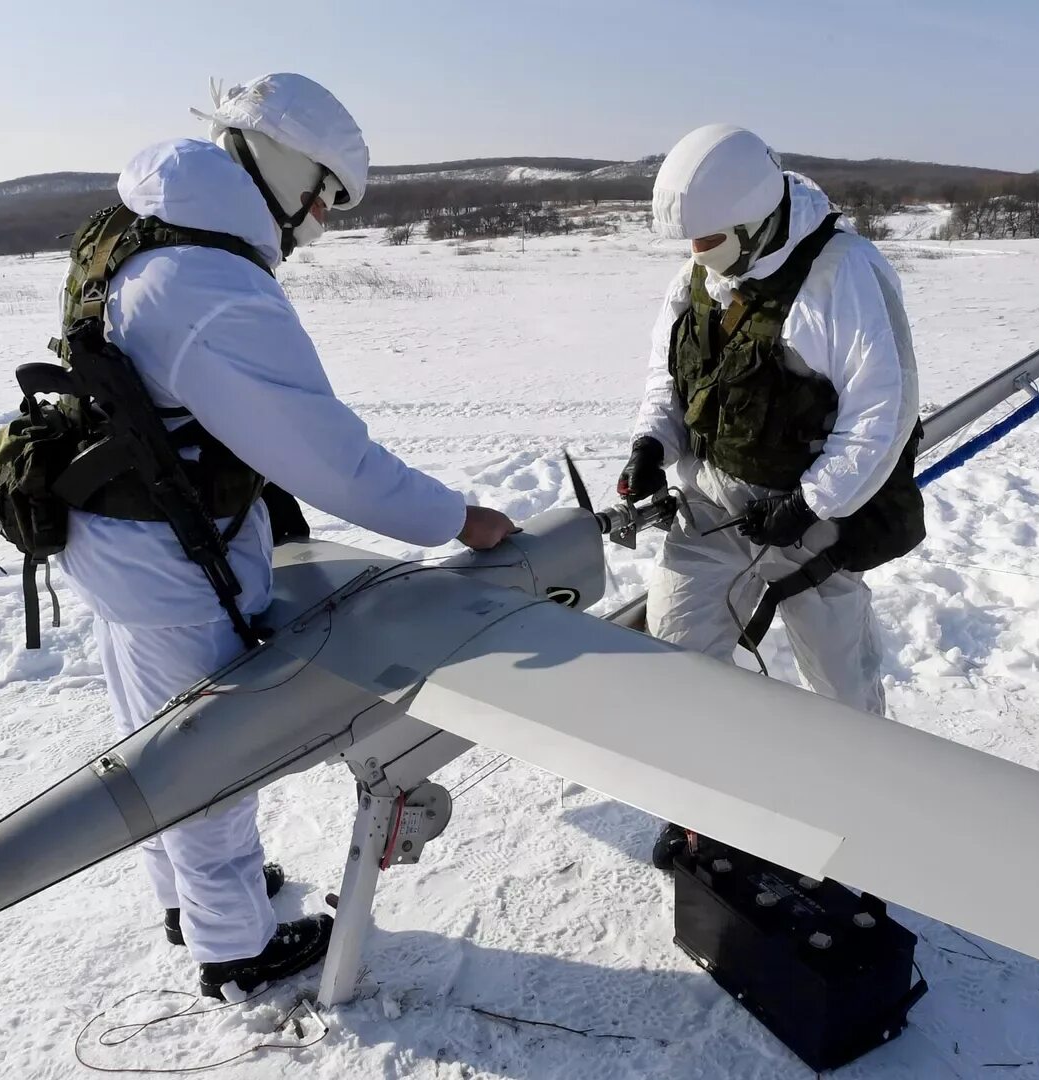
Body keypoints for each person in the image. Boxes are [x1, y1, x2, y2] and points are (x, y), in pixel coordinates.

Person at [55, 73, 517, 1000]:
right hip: (174, 559)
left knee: (154, 740)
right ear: (282, 166)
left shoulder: (134, 228)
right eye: (319, 197)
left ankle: (189, 898)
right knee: (209, 759)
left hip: (114, 537)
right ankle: (233, 949)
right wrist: (459, 520)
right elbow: (334, 461)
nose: (313, 224)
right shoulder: (213, 286)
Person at [619, 125, 922, 864]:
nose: (699, 257)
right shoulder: (698, 275)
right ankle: (706, 811)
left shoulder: (843, 273)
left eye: (711, 241)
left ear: (757, 222)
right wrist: (652, 445)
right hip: (710, 503)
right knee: (681, 656)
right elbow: (670, 380)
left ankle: (866, 816)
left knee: (840, 678)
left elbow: (883, 412)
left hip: (813, 511)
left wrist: (812, 504)